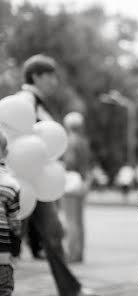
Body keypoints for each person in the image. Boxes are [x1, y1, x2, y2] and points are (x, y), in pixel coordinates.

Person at [16, 54, 99, 296]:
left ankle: (69, 288)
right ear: (37, 77)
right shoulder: (25, 101)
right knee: (11, 239)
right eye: (51, 76)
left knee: (52, 233)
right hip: (24, 182)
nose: (55, 81)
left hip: (37, 183)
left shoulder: (38, 103)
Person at [62, 112, 92, 263]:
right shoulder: (83, 141)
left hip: (71, 182)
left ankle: (72, 253)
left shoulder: (70, 141)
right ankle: (79, 253)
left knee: (70, 220)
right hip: (82, 181)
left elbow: (70, 162)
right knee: (79, 221)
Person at [0, 129, 21, 296]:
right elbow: (15, 223)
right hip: (2, 257)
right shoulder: (10, 185)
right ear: (5, 153)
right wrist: (16, 250)